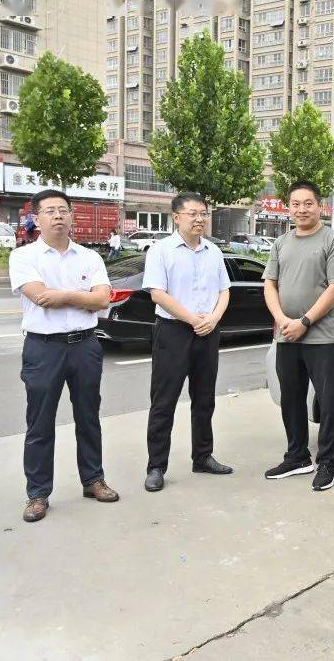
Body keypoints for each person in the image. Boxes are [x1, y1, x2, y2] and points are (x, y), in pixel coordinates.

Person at [8, 189, 120, 523]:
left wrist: (67, 295)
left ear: (71, 216)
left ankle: (93, 480)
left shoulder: (89, 257)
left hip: (85, 345)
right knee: (40, 423)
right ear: (36, 217)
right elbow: (40, 297)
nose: (58, 216)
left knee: (89, 416)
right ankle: (38, 493)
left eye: (63, 210)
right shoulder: (24, 257)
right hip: (44, 348)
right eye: (50, 211)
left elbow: (103, 300)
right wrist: (81, 296)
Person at [142, 192, 233, 492]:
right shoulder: (161, 250)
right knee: (164, 401)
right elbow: (158, 294)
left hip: (208, 332)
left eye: (203, 213)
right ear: (176, 217)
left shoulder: (213, 251)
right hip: (173, 332)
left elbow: (224, 290)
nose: (199, 219)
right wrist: (194, 320)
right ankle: (156, 466)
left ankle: (203, 456)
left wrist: (213, 319)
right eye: (193, 213)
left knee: (205, 398)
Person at [262, 181, 334, 492]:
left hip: (320, 337)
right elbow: (269, 284)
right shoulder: (281, 243)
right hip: (286, 335)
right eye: (295, 204)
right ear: (289, 207)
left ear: (319, 205)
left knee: (327, 402)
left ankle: (327, 461)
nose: (301, 209)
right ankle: (298, 456)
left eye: (307, 203)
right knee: (291, 400)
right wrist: (283, 320)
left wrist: (305, 320)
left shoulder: (332, 241)